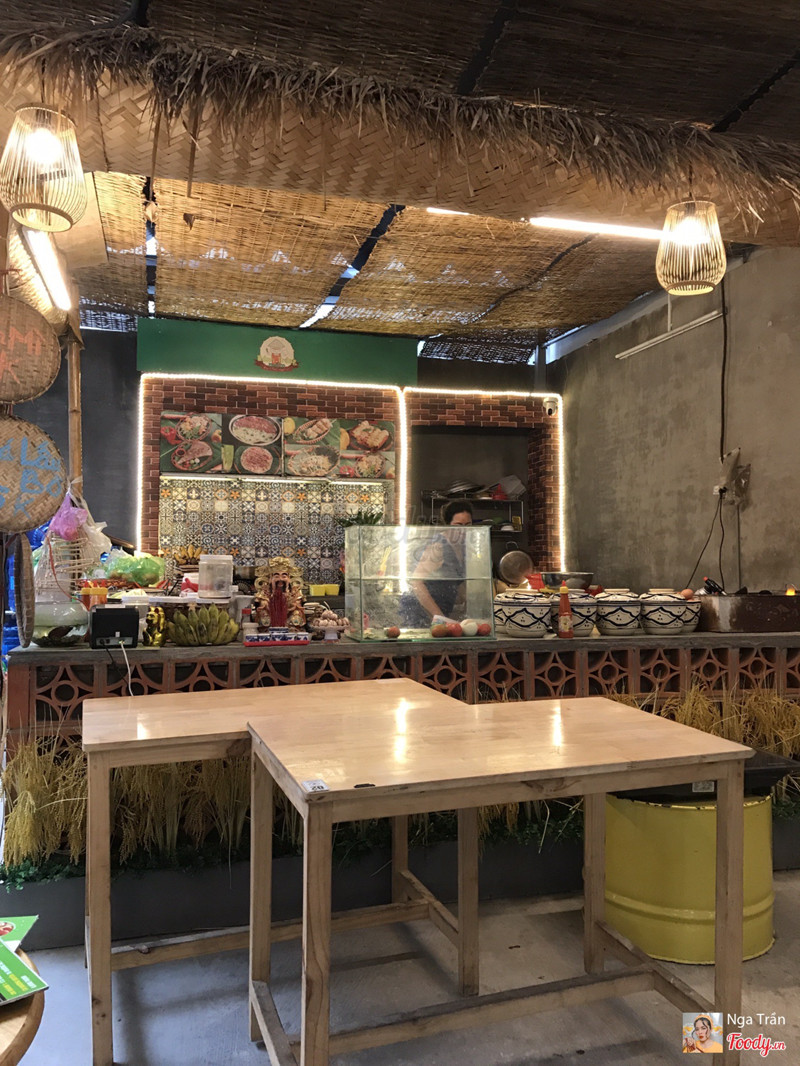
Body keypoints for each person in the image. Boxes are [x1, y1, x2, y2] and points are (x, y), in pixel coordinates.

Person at [399, 501, 472, 625]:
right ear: (448, 525)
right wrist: (439, 617)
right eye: (458, 525)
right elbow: (416, 582)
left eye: (468, 525)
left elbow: (457, 581)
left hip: (441, 612)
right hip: (419, 613)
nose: (463, 530)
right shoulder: (438, 546)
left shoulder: (463, 547)